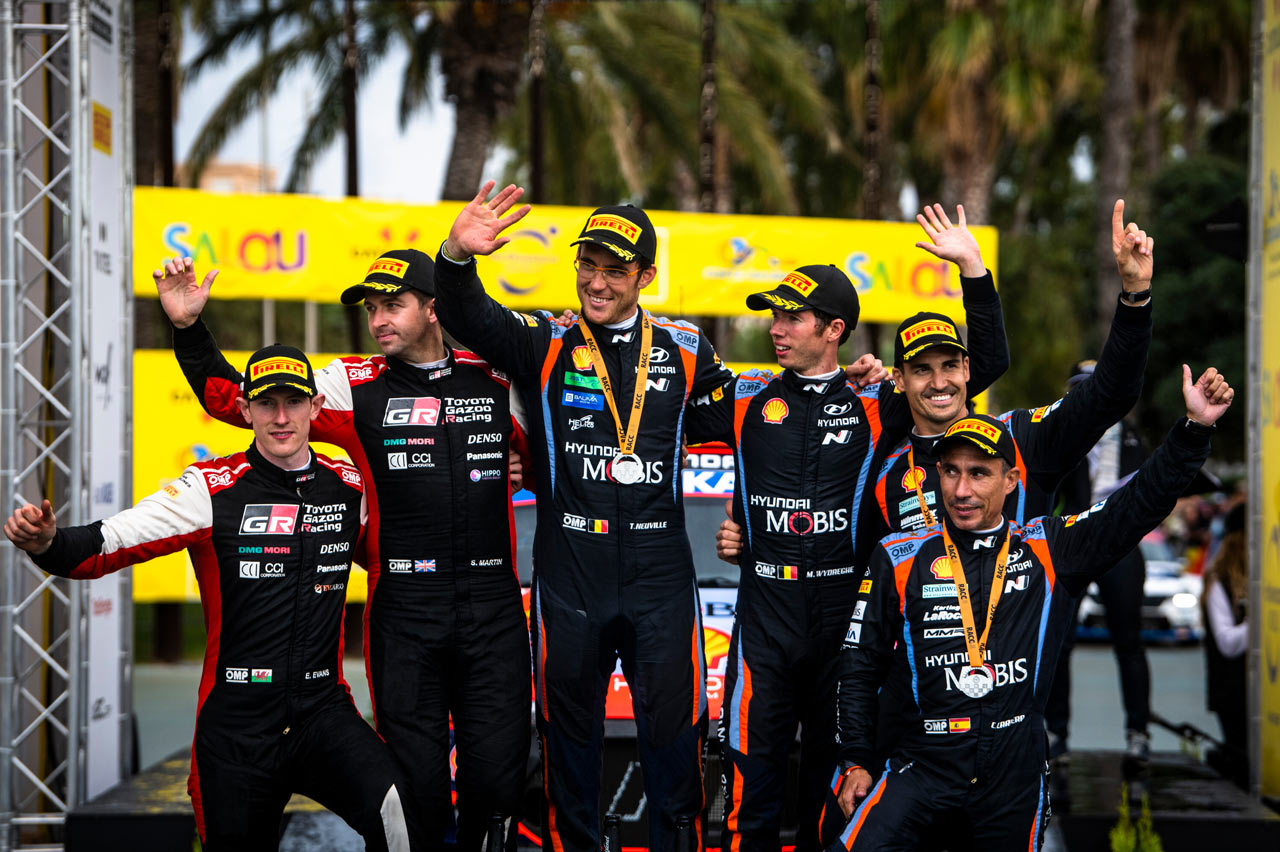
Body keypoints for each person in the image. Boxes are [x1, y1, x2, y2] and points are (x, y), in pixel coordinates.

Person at [157, 250, 530, 851]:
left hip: (494, 609)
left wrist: (523, 468)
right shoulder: (351, 383)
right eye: (371, 309)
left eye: (392, 305)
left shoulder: (497, 377)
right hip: (405, 611)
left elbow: (561, 456)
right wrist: (188, 328)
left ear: (433, 309)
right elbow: (236, 400)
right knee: (419, 791)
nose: (378, 320)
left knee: (497, 783)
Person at [686, 204, 1010, 852]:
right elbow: (653, 420)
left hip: (844, 619)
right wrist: (523, 451)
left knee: (832, 793)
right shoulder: (746, 396)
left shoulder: (878, 401)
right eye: (774, 315)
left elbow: (985, 365)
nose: (776, 328)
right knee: (749, 788)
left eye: (792, 317)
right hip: (766, 613)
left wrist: (973, 271)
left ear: (834, 330)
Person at [430, 182, 742, 852]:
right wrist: (457, 255)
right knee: (568, 748)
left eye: (614, 271)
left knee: (675, 743)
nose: (596, 283)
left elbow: (755, 416)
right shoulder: (543, 339)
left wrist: (851, 382)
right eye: (587, 265)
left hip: (661, 574)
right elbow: (467, 314)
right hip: (570, 572)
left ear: (646, 277)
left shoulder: (687, 347)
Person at [3, 347, 411, 852]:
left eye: (293, 402)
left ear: (316, 406)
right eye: (266, 404)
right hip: (237, 724)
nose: (281, 418)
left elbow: (403, 556)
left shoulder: (348, 485)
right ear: (244, 410)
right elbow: (112, 540)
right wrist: (49, 543)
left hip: (322, 711)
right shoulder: (209, 488)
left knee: (401, 813)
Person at [827, 365, 1233, 851]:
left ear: (1012, 481)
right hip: (924, 761)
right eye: (951, 471)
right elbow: (859, 663)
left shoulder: (1049, 547)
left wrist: (1194, 430)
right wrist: (855, 759)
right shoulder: (898, 555)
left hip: (1012, 771)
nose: (961, 490)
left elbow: (1137, 503)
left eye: (979, 473)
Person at [1045, 362, 1153, 777]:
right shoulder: (1063, 434)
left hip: (1120, 542)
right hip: (1074, 539)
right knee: (1058, 640)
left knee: (1130, 641)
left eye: (1094, 388)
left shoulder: (1131, 435)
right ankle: (1056, 733)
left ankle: (1138, 733)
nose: (1088, 396)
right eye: (1079, 390)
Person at [1201, 502, 1248, 787]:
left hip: (1248, 691)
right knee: (1242, 767)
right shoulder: (1219, 581)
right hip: (1233, 694)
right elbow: (1227, 643)